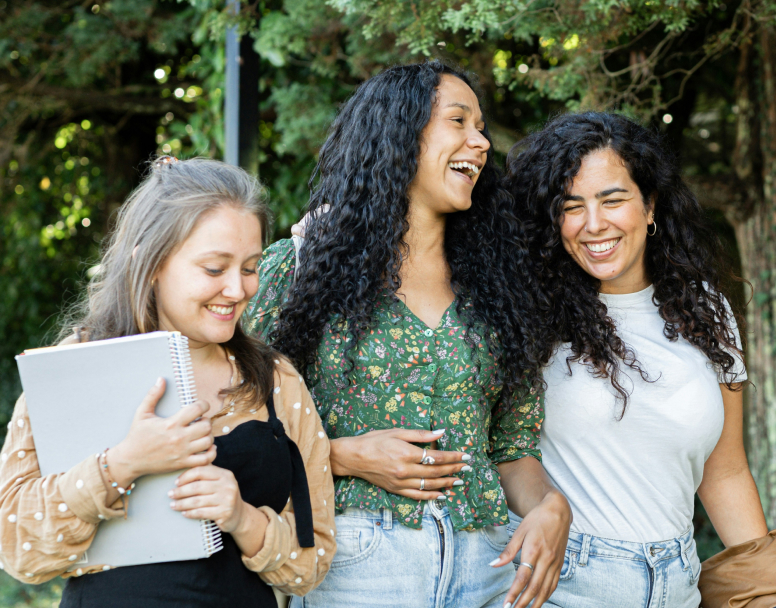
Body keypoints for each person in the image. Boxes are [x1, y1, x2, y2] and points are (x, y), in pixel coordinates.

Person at [245, 61, 571, 608]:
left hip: (488, 566)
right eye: (459, 121)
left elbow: (511, 449)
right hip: (355, 567)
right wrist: (342, 456)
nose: (481, 141)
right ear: (399, 135)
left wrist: (550, 506)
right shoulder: (299, 269)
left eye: (482, 126)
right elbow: (236, 425)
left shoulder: (500, 284)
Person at [0, 157, 335, 607]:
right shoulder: (74, 368)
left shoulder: (277, 383)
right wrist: (121, 465)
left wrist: (242, 518)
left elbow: (312, 562)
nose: (237, 290)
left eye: (250, 267)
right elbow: (15, 545)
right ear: (151, 264)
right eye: (215, 269)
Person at [503, 111, 768, 607]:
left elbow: (725, 469)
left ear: (650, 206)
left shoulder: (707, 309)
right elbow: (499, 450)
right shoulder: (529, 315)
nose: (594, 224)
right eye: (572, 205)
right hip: (562, 586)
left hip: (679, 586)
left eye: (613, 199)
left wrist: (762, 586)